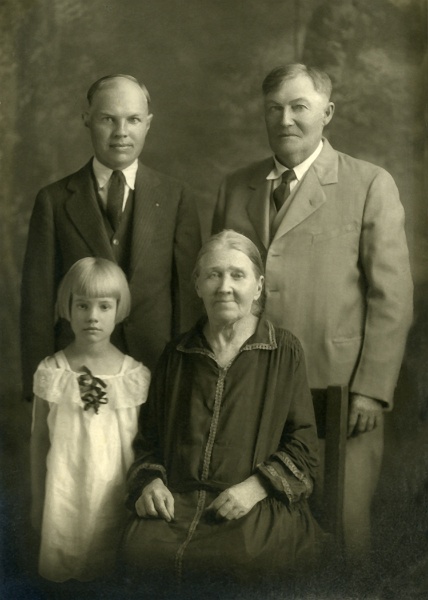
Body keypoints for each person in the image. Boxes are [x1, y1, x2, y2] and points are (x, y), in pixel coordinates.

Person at [212, 63, 413, 558]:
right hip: (253, 385)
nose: (286, 119)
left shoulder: (369, 184)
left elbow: (392, 298)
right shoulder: (236, 187)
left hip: (341, 389)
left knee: (342, 525)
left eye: (299, 107)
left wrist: (371, 389)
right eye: (274, 109)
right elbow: (219, 292)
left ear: (327, 112)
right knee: (262, 526)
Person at [122, 230, 322, 596]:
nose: (224, 287)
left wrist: (256, 487)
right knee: (139, 549)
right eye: (213, 275)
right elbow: (147, 439)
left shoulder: (284, 351)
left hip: (255, 506)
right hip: (177, 503)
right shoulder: (177, 353)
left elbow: (304, 445)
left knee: (243, 560)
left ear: (259, 287)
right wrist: (151, 482)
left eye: (237, 275)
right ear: (197, 285)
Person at [21, 73, 201, 402]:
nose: (121, 132)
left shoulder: (176, 197)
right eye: (108, 119)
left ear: (147, 124)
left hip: (155, 371)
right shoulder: (55, 200)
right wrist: (39, 389)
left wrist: (185, 378)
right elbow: (37, 303)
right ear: (86, 120)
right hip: (75, 376)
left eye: (133, 120)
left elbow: (188, 300)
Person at [30, 257, 151, 583]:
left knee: (110, 575)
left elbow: (144, 448)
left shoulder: (135, 376)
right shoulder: (51, 373)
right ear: (68, 308)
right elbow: (39, 441)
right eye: (82, 305)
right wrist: (38, 501)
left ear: (119, 309)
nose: (93, 316)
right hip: (65, 495)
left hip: (115, 496)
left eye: (104, 306)